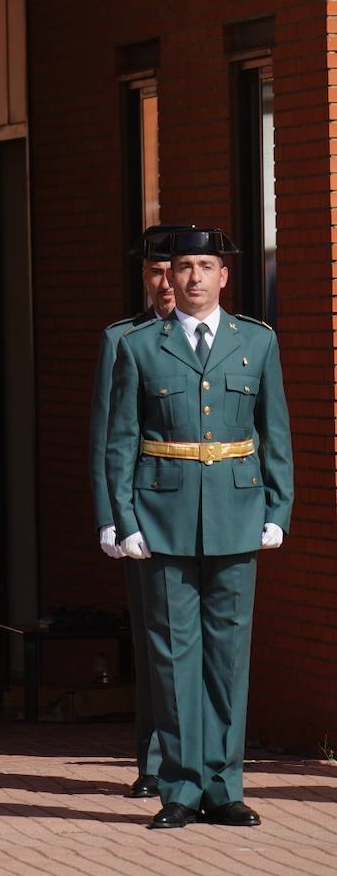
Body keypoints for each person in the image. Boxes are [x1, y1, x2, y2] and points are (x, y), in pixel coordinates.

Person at [106, 227, 293, 830]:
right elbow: (121, 442)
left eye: (205, 266)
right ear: (171, 274)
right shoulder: (139, 345)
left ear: (224, 275)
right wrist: (124, 518)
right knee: (172, 655)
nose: (193, 278)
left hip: (238, 515)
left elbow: (276, 433)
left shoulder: (256, 342)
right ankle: (181, 787)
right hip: (164, 515)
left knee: (228, 657)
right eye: (184, 266)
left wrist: (277, 509)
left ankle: (225, 782)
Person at [89, 223, 194, 800]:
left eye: (172, 271)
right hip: (143, 511)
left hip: (200, 507)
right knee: (156, 636)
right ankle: (154, 759)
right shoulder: (122, 338)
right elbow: (108, 434)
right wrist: (111, 514)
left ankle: (194, 756)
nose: (167, 284)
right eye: (156, 272)